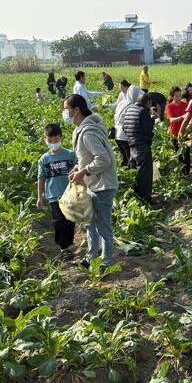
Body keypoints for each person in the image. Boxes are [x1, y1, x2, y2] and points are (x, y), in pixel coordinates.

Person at [65, 94, 119, 268]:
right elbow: (86, 157)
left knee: (103, 227)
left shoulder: (88, 133)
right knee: (89, 223)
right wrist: (78, 168)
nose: (65, 113)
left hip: (102, 185)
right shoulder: (80, 129)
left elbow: (104, 159)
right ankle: (91, 257)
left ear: (76, 110)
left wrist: (84, 171)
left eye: (66, 109)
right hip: (91, 184)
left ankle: (106, 263)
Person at [37, 123, 79, 257]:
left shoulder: (70, 155)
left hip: (70, 193)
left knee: (70, 220)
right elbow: (41, 178)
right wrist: (40, 196)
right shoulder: (44, 159)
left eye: (56, 140)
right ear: (44, 139)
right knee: (59, 222)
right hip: (53, 195)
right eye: (50, 141)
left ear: (62, 138)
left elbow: (78, 172)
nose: (53, 143)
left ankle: (68, 243)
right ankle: (64, 248)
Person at [122, 92, 155, 204]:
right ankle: (146, 198)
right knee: (145, 172)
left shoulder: (129, 109)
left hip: (131, 144)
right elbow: (147, 130)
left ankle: (136, 196)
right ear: (148, 102)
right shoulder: (143, 111)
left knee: (136, 170)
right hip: (142, 145)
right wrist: (152, 120)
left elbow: (124, 127)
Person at [165, 86, 191, 175]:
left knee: (187, 154)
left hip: (185, 134)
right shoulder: (169, 106)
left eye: (180, 95)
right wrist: (182, 117)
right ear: (172, 97)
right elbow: (171, 120)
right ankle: (182, 174)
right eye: (177, 96)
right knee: (179, 155)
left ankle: (187, 172)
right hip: (175, 134)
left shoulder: (185, 104)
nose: (179, 98)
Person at [113, 85, 142, 166]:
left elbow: (116, 116)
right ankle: (131, 176)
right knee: (131, 159)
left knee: (125, 159)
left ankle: (123, 176)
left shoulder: (122, 102)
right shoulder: (133, 106)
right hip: (125, 136)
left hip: (116, 134)